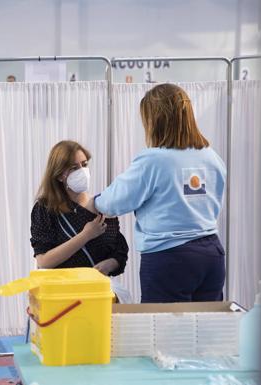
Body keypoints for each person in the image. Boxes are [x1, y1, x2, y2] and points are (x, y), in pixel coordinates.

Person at [88, 83, 227, 303]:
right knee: (206, 329)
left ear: (155, 121)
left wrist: (94, 202)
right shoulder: (211, 157)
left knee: (164, 330)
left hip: (171, 258)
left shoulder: (154, 160)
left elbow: (115, 201)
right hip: (211, 254)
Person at [30, 141, 128, 276]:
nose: (82, 171)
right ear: (59, 175)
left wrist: (111, 263)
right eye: (74, 168)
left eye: (84, 164)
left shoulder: (101, 205)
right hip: (62, 291)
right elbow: (44, 261)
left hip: (96, 291)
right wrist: (86, 235)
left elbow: (119, 251)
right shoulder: (45, 209)